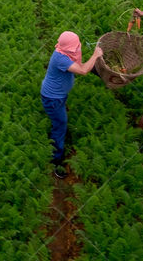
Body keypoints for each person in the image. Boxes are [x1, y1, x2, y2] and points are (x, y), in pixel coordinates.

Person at [40, 31, 103, 178]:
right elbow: (82, 70)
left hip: (59, 96)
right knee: (60, 124)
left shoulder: (66, 53)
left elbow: (81, 66)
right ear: (68, 47)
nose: (77, 49)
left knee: (60, 120)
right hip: (52, 98)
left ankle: (57, 136)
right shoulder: (60, 58)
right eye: (75, 47)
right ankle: (56, 160)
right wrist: (95, 55)